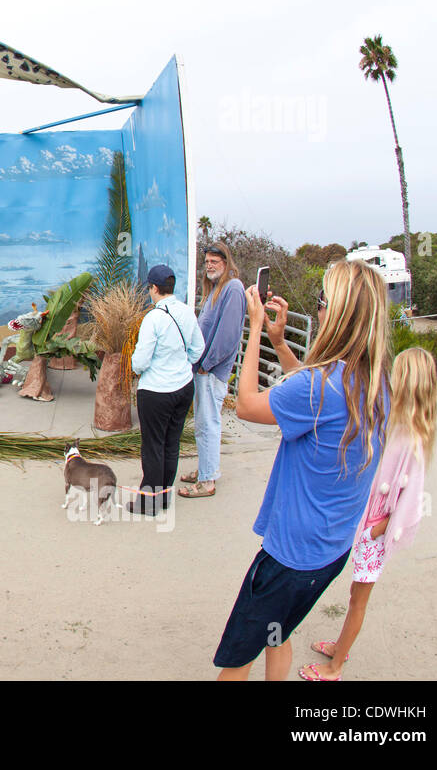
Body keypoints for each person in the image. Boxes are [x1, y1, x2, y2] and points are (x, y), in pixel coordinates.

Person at [214, 259, 391, 681]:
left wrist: (254, 328)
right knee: (278, 632)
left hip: (288, 558)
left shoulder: (319, 387)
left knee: (237, 660)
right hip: (329, 552)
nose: (318, 311)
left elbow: (247, 405)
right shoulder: (376, 380)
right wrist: (280, 341)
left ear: (342, 314)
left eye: (322, 302)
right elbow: (313, 400)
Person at [300, 346, 437, 681]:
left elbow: (412, 501)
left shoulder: (413, 440)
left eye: (397, 375)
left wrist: (376, 531)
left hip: (374, 530)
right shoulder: (397, 423)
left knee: (359, 599)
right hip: (365, 521)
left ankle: (335, 668)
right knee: (353, 594)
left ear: (406, 383)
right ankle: (340, 647)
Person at [129, 264, 204, 514]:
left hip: (156, 392)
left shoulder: (154, 317)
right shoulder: (187, 312)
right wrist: (181, 365)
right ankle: (163, 497)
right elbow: (197, 349)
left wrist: (137, 368)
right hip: (183, 388)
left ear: (154, 288)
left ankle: (148, 503)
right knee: (171, 443)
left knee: (153, 446)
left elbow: (140, 362)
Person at [180, 243, 246, 498]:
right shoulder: (216, 289)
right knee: (203, 424)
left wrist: (206, 365)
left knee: (208, 424)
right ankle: (206, 468)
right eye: (207, 261)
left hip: (211, 371)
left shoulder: (233, 288)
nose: (210, 265)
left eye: (215, 261)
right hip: (203, 368)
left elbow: (228, 336)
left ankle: (207, 481)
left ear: (226, 262)